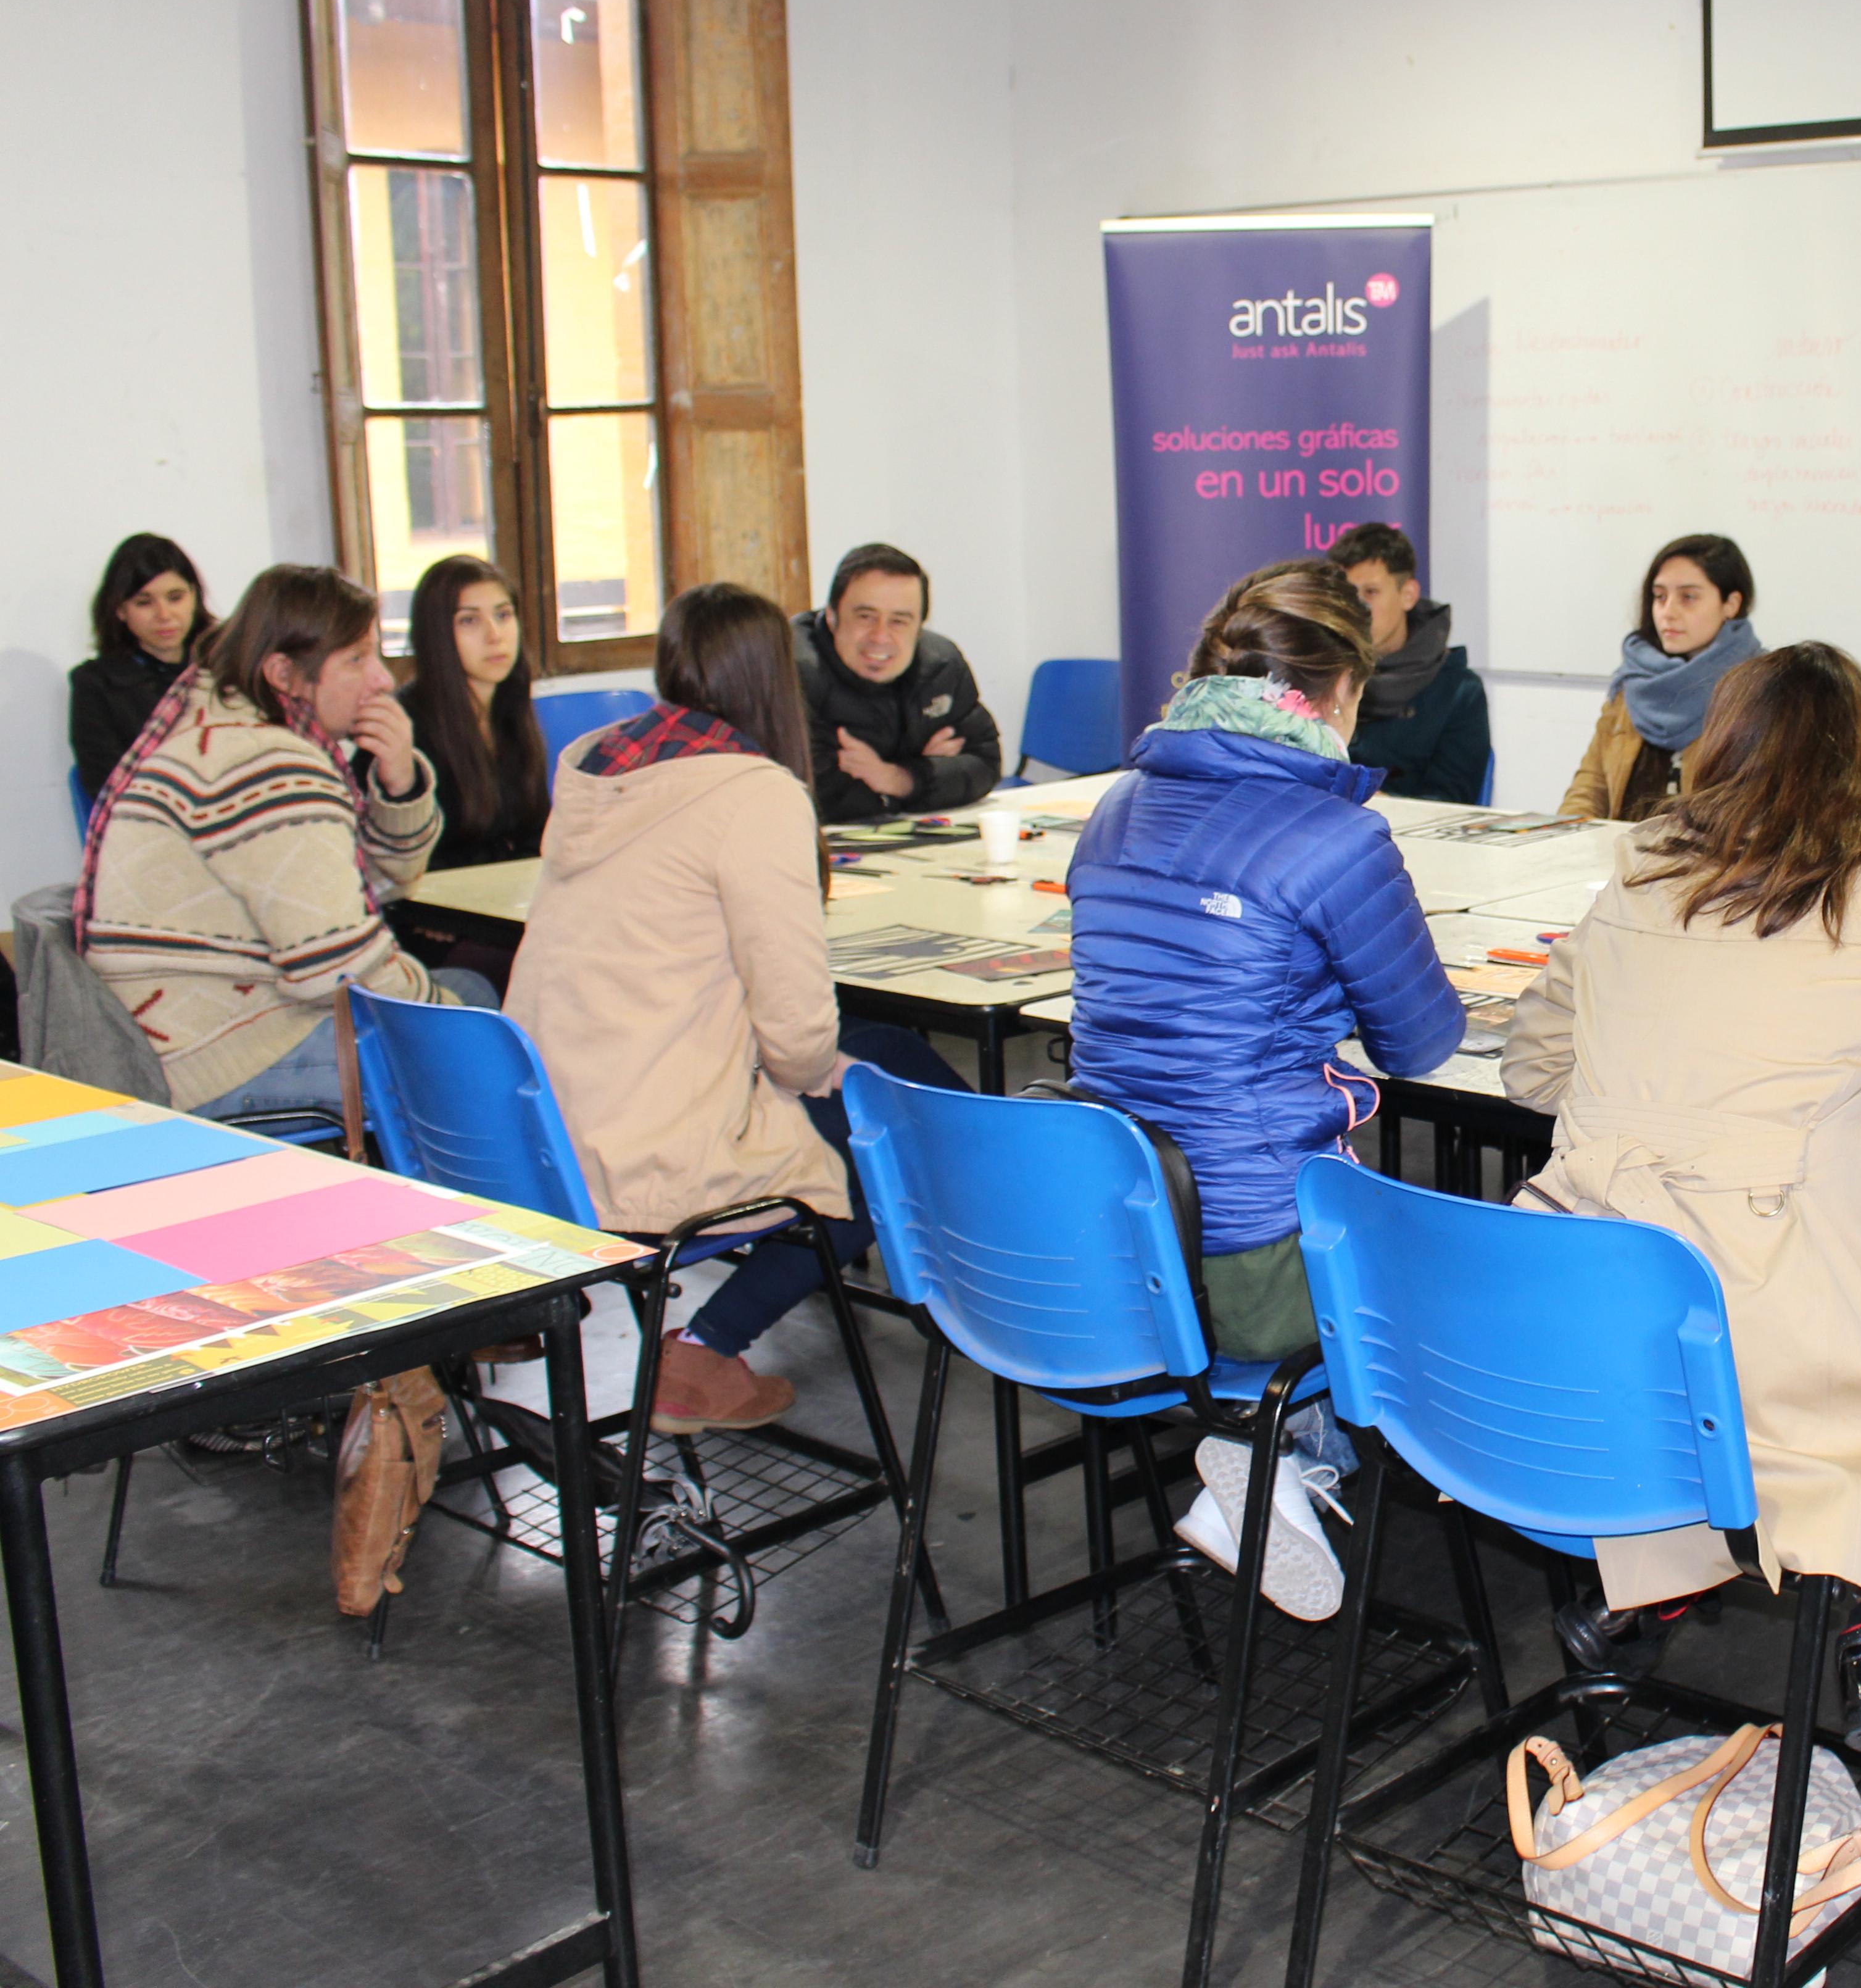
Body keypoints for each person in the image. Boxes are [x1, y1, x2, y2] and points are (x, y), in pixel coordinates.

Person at [1505, 641, 1861, 1763]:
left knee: (1744, 1333)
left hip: (1581, 1363)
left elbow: (1533, 1071)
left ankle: (1653, 1587)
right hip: (1769, 1358)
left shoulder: (1638, 869)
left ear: (1716, 748)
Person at [1066, 561, 1464, 1606]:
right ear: (1339, 694)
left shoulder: (1114, 809)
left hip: (1109, 1241)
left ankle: (1274, 1466)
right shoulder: (1337, 839)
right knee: (1434, 1266)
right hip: (1245, 1266)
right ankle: (1284, 1463)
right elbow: (1422, 1045)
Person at [513, 582, 968, 1433]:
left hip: (550, 1114)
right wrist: (813, 1068)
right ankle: (706, 1351)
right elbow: (796, 1034)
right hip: (648, 1140)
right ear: (778, 675)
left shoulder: (598, 764)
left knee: (894, 1054)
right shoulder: (751, 795)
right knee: (884, 1140)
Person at [78, 565, 495, 1119]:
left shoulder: (224, 726)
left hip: (190, 1033)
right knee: (483, 1030)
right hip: (219, 1058)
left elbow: (384, 880)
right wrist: (453, 1021)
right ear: (283, 673)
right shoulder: (269, 765)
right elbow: (339, 970)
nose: (383, 681)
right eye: (356, 660)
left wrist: (399, 782)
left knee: (467, 993)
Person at [790, 543, 1005, 822]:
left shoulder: (941, 666)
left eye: (899, 621)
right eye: (865, 617)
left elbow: (985, 764)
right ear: (831, 617)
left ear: (920, 628)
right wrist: (923, 772)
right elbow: (805, 794)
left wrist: (900, 778)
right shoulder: (792, 669)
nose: (880, 636)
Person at [1559, 534, 1760, 821]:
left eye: (1688, 597)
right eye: (1660, 597)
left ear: (1731, 604)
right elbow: (1590, 788)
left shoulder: (1759, 691)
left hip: (1706, 861)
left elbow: (1757, 814)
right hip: (1621, 857)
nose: (1668, 612)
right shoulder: (1634, 682)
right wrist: (1570, 844)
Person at [397, 555, 549, 871]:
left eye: (503, 615)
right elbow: (417, 859)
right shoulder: (406, 725)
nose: (495, 636)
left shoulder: (512, 707)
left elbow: (536, 835)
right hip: (438, 908)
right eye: (469, 620)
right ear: (436, 634)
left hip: (505, 900)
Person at [1327, 520, 1491, 804]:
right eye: (1347, 595)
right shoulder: (1322, 674)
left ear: (1408, 595)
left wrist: (1379, 803)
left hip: (1413, 841)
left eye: (1371, 593)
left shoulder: (1458, 691)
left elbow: (1453, 802)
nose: (1357, 608)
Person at [70, 533, 215, 797]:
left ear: (195, 597)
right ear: (120, 609)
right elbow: (106, 786)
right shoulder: (96, 684)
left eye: (175, 597)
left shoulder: (222, 668)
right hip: (150, 821)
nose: (164, 615)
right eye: (144, 602)